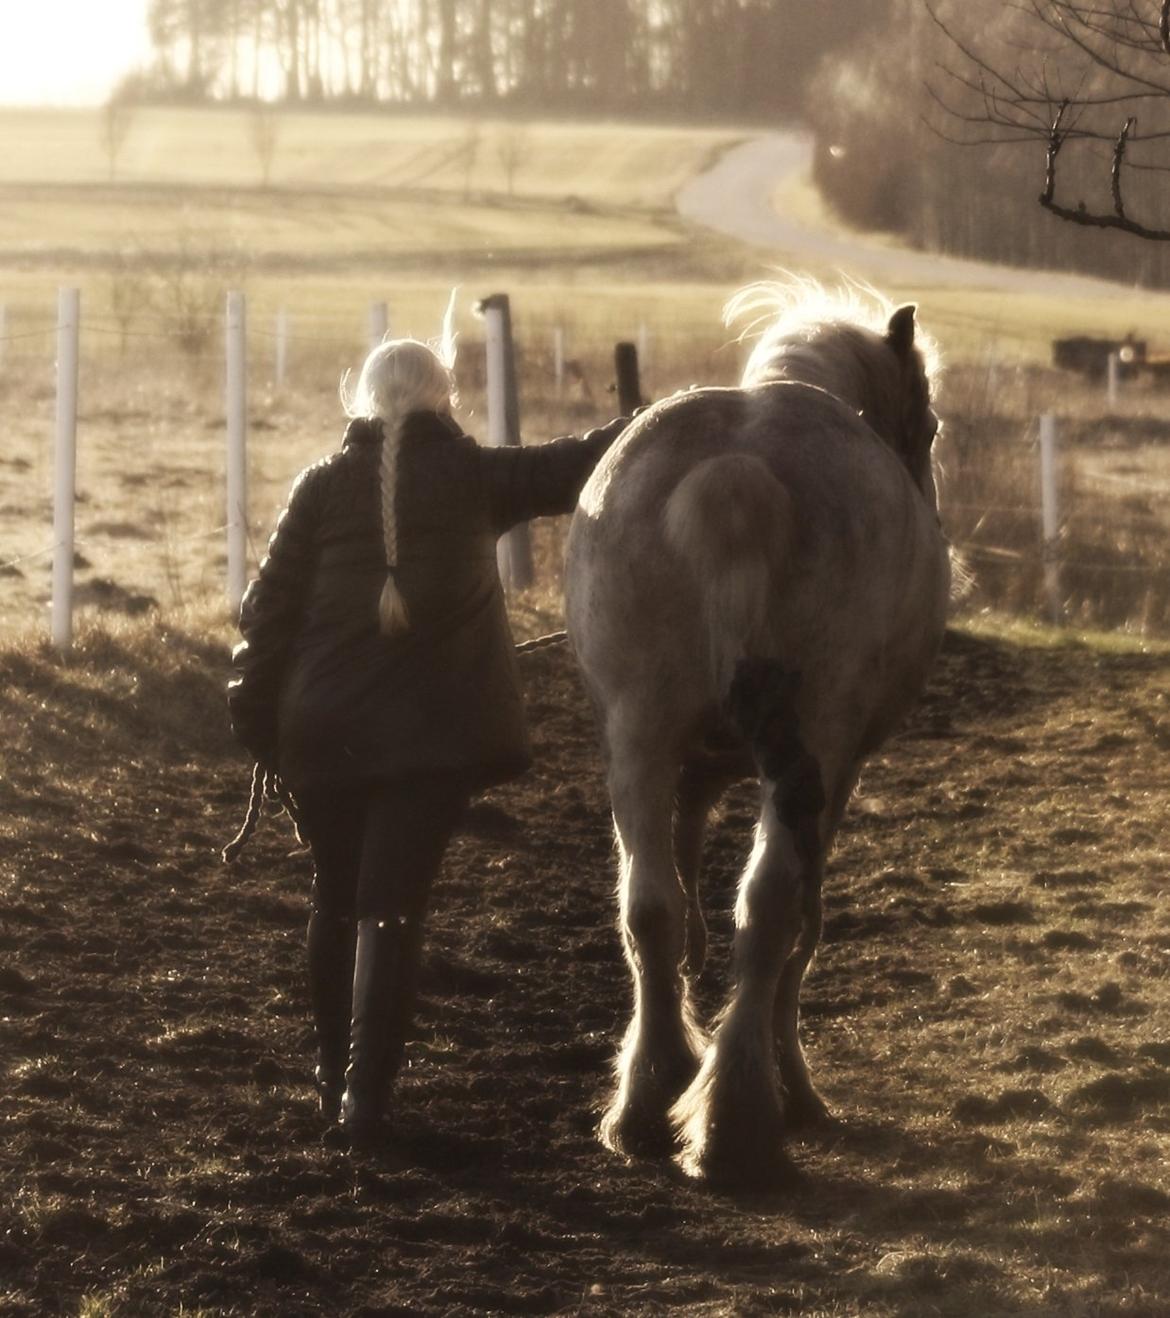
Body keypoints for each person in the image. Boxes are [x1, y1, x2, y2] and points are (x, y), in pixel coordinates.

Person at [226, 321, 628, 1146]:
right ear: (446, 396)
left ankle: (330, 1079)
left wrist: (261, 729)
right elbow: (580, 461)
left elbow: (265, 618)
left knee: (335, 899)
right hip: (429, 741)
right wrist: (664, 416)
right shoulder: (481, 479)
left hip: (321, 729)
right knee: (391, 910)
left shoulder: (316, 487)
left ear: (361, 400)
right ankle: (365, 1106)